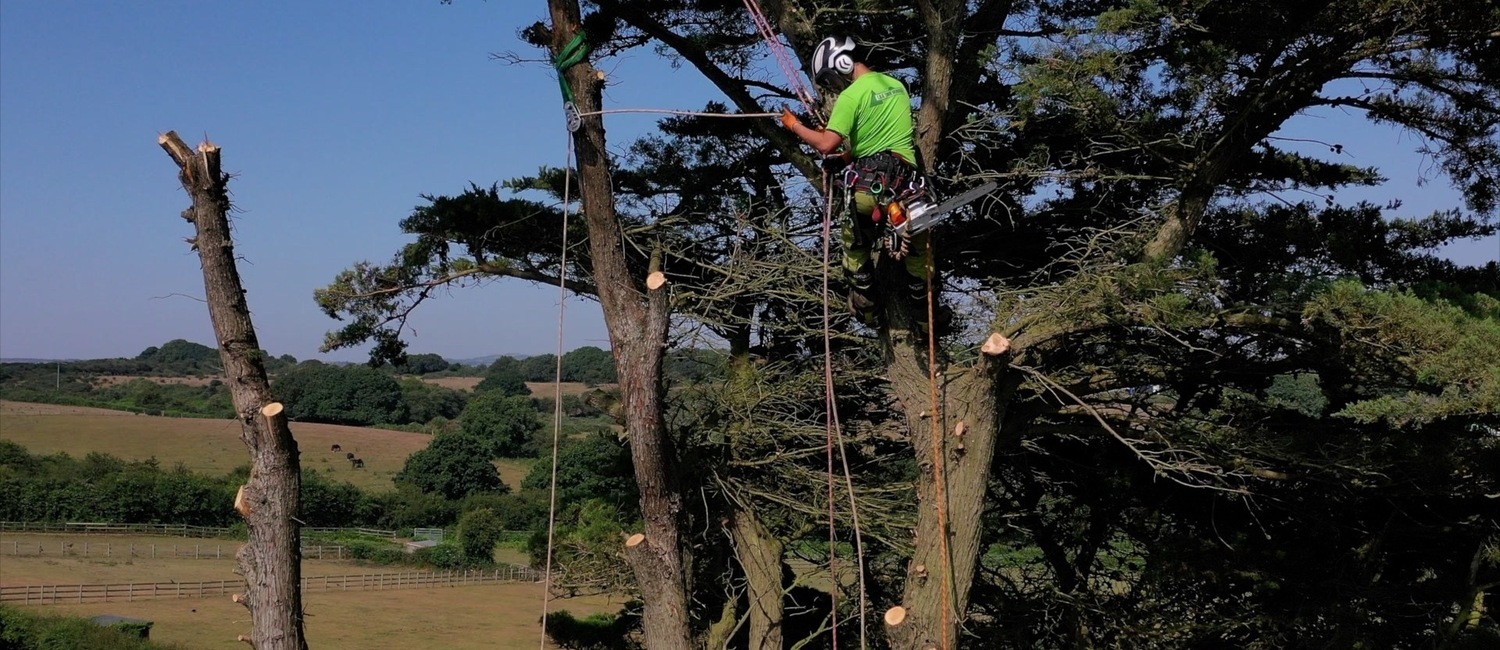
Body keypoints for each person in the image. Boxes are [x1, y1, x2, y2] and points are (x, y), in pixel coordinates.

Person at [780, 35, 932, 324]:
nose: (836, 86)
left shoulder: (852, 95)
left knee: (854, 243)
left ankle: (868, 303)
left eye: (833, 78)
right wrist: (848, 157)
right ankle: (923, 307)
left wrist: (794, 125)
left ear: (843, 62)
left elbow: (825, 144)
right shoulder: (896, 86)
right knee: (916, 247)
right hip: (907, 185)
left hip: (868, 188)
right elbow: (881, 139)